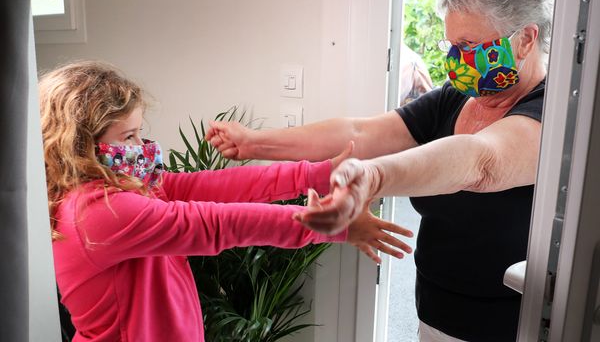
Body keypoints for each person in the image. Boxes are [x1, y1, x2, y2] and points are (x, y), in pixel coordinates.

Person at [206, 0, 551, 341]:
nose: (456, 58)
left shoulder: (549, 112)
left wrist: (373, 176)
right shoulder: (454, 99)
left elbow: (480, 161)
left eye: (468, 46)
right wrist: (256, 142)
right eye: (451, 45)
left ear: (525, 39)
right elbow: (360, 133)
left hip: (507, 326)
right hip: (436, 313)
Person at [40, 60, 414, 342]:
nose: (142, 147)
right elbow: (214, 223)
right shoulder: (96, 212)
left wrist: (314, 174)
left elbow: (214, 186)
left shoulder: (128, 188)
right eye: (130, 136)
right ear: (80, 146)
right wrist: (336, 226)